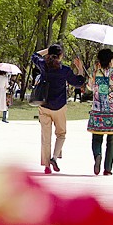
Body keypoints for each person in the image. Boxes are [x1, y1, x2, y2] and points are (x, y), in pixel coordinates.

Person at [31, 44, 86, 174]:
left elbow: (34, 55)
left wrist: (48, 50)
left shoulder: (43, 65)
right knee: (61, 134)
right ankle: (54, 158)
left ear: (49, 54)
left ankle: (46, 166)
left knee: (46, 137)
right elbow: (78, 82)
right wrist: (80, 68)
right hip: (59, 106)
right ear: (61, 55)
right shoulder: (64, 70)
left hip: (44, 106)